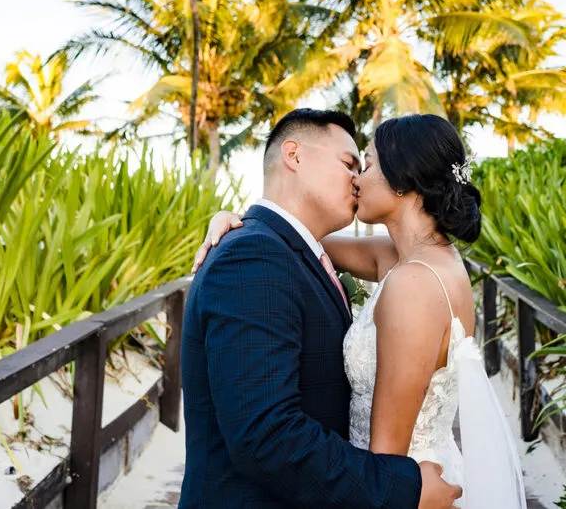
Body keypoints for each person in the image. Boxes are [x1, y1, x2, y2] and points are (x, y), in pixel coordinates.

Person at [194, 112, 527, 509]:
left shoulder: (415, 282)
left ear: (402, 181)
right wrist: (241, 221)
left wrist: (402, 491)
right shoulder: (417, 258)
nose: (356, 179)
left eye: (365, 165)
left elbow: (384, 455)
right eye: (349, 164)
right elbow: (305, 245)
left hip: (405, 486)